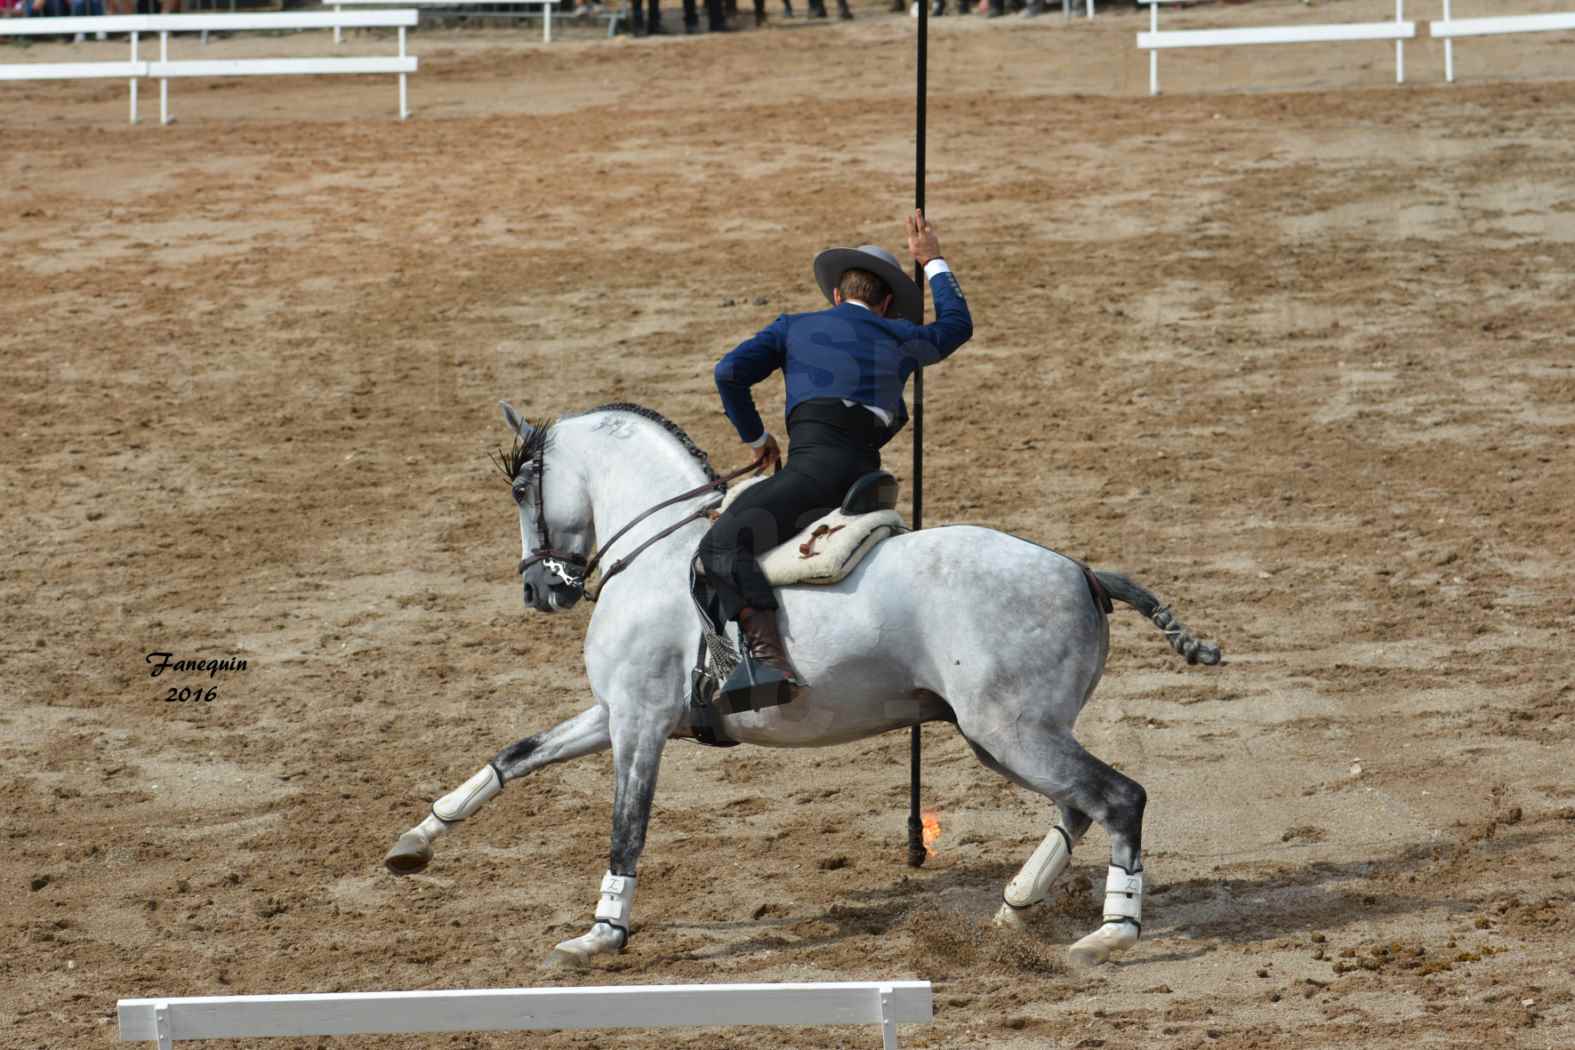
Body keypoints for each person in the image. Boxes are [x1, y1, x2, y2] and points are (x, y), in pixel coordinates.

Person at [696, 209, 973, 688]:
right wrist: (933, 260)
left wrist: (758, 438)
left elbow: (728, 373)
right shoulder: (902, 335)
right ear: (886, 304)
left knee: (719, 545)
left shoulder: (794, 327)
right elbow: (957, 325)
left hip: (813, 474)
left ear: (839, 295)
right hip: (867, 480)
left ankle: (767, 662)